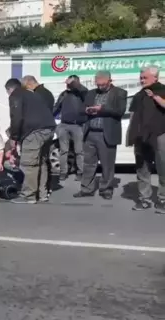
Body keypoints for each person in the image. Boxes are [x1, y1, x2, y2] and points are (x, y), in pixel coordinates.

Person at [74, 70, 127, 200]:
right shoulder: (91, 93)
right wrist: (87, 110)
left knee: (107, 164)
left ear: (110, 81)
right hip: (90, 132)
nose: (99, 87)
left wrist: (101, 109)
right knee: (88, 163)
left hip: (106, 133)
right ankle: (86, 189)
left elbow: (119, 111)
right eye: (98, 84)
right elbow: (81, 109)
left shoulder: (120, 93)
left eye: (102, 85)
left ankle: (106, 189)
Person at [5, 78, 56, 204]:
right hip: (48, 129)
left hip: (34, 132)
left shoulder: (16, 95)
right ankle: (42, 194)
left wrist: (14, 137)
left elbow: (16, 117)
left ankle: (29, 195)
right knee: (41, 162)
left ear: (9, 89)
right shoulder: (33, 94)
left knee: (28, 164)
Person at [127, 66, 165, 213]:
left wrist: (156, 98)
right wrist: (130, 135)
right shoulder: (138, 95)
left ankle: (162, 200)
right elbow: (132, 115)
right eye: (141, 77)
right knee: (142, 168)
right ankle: (145, 199)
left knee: (163, 168)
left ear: (155, 78)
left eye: (145, 77)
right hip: (141, 136)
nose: (142, 80)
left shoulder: (162, 90)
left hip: (160, 134)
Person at [54, 74, 88, 181]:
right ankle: (63, 172)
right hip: (64, 125)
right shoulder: (64, 94)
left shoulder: (81, 94)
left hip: (77, 125)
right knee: (63, 151)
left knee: (79, 151)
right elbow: (56, 108)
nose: (68, 85)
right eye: (68, 83)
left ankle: (80, 172)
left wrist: (74, 83)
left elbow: (84, 91)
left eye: (71, 83)